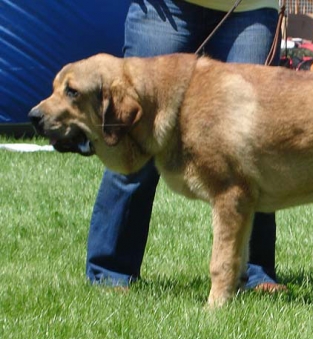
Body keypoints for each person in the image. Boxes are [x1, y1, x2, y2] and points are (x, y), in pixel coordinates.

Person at [86, 0, 286, 292]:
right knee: (132, 140)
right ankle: (110, 272)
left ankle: (253, 273)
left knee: (252, 146)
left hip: (251, 9)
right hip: (164, 10)